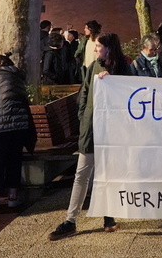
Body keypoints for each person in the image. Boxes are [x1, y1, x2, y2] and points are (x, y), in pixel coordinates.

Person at [49, 33, 131, 240]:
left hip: (113, 131)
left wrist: (112, 82)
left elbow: (130, 95)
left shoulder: (124, 68)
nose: (95, 50)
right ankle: (71, 219)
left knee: (107, 174)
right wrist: (84, 115)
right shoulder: (95, 66)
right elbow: (84, 91)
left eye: (98, 47)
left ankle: (108, 215)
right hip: (91, 128)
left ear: (109, 49)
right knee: (82, 173)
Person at [0, 53, 37, 214]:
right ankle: (12, 198)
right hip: (21, 125)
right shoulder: (18, 76)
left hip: (0, 126)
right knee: (14, 160)